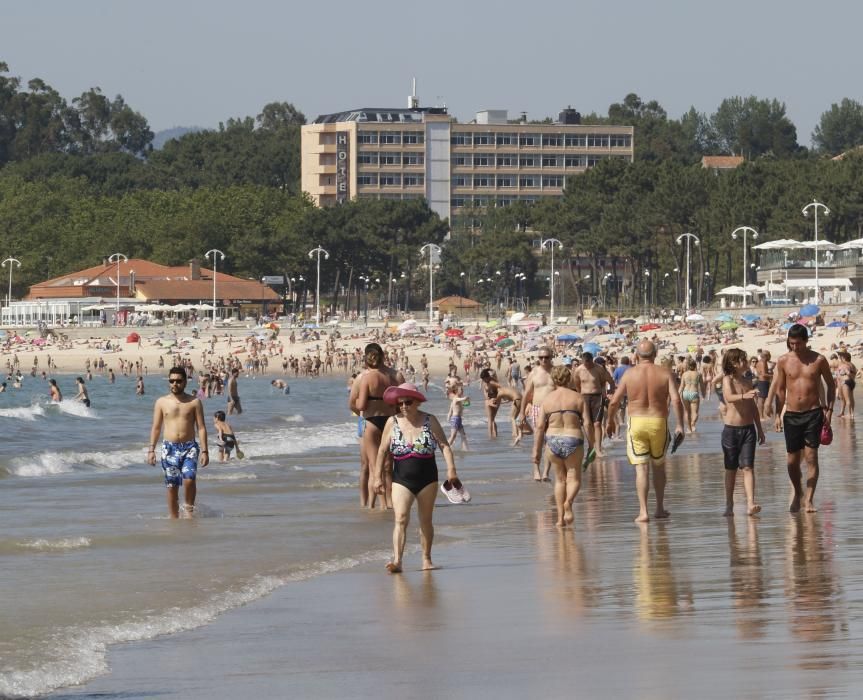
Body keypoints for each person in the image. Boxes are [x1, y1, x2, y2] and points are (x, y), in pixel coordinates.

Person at [372, 383, 461, 573]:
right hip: (401, 479)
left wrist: (451, 470)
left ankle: (426, 559)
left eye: (408, 402)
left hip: (428, 479)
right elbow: (381, 450)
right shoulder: (392, 422)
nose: (403, 406)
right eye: (400, 403)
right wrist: (377, 477)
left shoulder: (430, 420)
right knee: (401, 518)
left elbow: (445, 446)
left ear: (417, 401)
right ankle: (397, 561)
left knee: (425, 520)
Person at [606, 340, 685, 523]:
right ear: (655, 354)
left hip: (637, 422)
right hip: (658, 421)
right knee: (658, 466)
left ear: (636, 355)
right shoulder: (665, 373)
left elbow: (614, 402)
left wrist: (609, 421)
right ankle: (659, 508)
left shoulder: (629, 374)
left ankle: (643, 512)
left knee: (641, 469)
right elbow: (676, 400)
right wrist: (680, 424)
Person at [765, 324, 835, 513]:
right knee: (792, 461)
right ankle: (798, 492)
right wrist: (778, 414)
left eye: (798, 343)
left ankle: (809, 499)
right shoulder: (783, 361)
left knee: (812, 457)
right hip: (792, 415)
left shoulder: (818, 360)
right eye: (791, 343)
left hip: (813, 413)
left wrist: (828, 410)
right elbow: (780, 389)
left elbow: (830, 385)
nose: (794, 347)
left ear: (806, 341)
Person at [532, 365, 592, 527]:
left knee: (560, 480)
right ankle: (569, 503)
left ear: (553, 379)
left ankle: (559, 519)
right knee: (574, 478)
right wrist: (592, 445)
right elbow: (587, 423)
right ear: (569, 378)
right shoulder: (578, 398)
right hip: (573, 438)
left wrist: (536, 452)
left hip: (552, 441)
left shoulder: (547, 400)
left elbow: (539, 428)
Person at [147, 367, 209, 518]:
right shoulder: (161, 402)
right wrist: (151, 450)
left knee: (189, 479)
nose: (175, 384)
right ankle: (174, 518)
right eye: (172, 381)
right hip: (169, 448)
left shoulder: (194, 402)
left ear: (185, 382)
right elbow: (156, 428)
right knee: (172, 486)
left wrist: (205, 450)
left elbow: (201, 428)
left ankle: (188, 512)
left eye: (178, 381)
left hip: (190, 448)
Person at [721, 349, 765, 516]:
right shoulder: (728, 379)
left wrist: (760, 429)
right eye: (743, 360)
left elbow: (753, 407)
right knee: (731, 469)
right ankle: (729, 504)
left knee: (748, 467)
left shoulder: (747, 380)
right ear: (734, 363)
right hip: (731, 430)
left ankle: (751, 503)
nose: (746, 363)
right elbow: (729, 397)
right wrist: (745, 395)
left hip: (748, 429)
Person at [355, 343, 399, 509]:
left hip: (370, 420)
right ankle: (388, 503)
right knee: (388, 465)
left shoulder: (365, 377)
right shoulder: (391, 376)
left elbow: (359, 405)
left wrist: (362, 407)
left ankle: (374, 506)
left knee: (373, 467)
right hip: (389, 420)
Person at [518, 346, 556, 480]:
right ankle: (536, 470)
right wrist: (522, 412)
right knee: (538, 441)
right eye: (541, 357)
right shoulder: (534, 373)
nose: (544, 360)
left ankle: (546, 472)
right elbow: (526, 394)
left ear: (552, 357)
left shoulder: (556, 372)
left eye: (546, 357)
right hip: (537, 409)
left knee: (550, 442)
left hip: (553, 410)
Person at [572, 351, 615, 459]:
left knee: (597, 423)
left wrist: (609, 393)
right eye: (585, 364)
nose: (587, 366)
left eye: (589, 363)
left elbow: (610, 381)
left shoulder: (599, 368)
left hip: (597, 396)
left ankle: (598, 448)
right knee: (587, 424)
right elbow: (577, 384)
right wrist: (579, 395)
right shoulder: (579, 370)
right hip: (585, 397)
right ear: (582, 361)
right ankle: (591, 447)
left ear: (592, 360)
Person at [678, 358, 705, 433]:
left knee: (687, 412)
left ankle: (689, 429)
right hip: (694, 393)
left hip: (685, 393)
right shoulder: (698, 374)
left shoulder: (684, 374)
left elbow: (681, 386)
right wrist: (703, 395)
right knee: (695, 413)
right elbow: (702, 386)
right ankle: (693, 424)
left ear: (688, 366)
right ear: (695, 365)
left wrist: (678, 395)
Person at [446, 385, 470, 450]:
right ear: (456, 391)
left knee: (463, 435)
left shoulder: (458, 400)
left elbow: (467, 404)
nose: (462, 391)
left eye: (462, 389)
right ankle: (445, 448)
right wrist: (465, 398)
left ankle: (465, 449)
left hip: (459, 419)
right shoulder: (456, 398)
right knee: (453, 436)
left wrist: (468, 401)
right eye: (461, 390)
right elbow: (462, 399)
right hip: (455, 419)